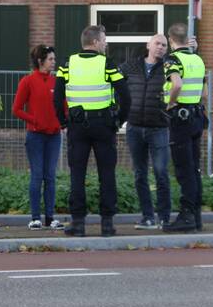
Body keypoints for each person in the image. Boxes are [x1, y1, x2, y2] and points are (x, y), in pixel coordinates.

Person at [54, 25, 131, 237]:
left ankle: (78, 224)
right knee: (106, 174)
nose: (106, 44)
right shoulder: (106, 64)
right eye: (104, 40)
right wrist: (119, 120)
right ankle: (107, 224)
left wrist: (63, 122)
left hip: (77, 127)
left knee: (77, 175)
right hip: (104, 126)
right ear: (95, 42)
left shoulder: (67, 64)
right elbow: (125, 96)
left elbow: (57, 97)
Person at [119, 34, 171, 230]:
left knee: (161, 172)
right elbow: (116, 85)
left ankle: (164, 217)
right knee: (140, 174)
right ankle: (147, 217)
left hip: (158, 128)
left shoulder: (169, 67)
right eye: (157, 43)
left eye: (164, 45)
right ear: (148, 45)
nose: (160, 47)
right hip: (134, 127)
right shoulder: (131, 67)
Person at [162, 23, 208, 233]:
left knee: (183, 169)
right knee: (194, 167)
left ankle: (186, 216)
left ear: (171, 40)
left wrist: (171, 102)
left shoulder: (173, 59)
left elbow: (177, 84)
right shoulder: (198, 59)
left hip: (180, 119)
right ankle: (196, 216)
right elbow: (205, 93)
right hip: (196, 116)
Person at [13, 45, 65, 231]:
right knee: (37, 176)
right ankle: (35, 218)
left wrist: (63, 123)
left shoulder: (57, 81)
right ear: (40, 61)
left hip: (54, 136)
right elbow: (16, 109)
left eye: (54, 58)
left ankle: (50, 218)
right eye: (50, 59)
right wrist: (34, 120)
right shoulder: (27, 81)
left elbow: (63, 106)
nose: (54, 62)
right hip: (35, 136)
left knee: (50, 176)